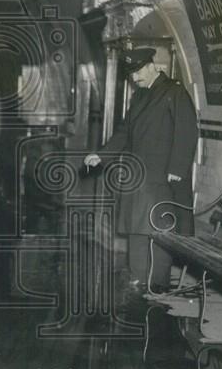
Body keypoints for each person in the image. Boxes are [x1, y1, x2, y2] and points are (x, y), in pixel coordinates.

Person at [84, 46, 197, 294]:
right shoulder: (139, 97)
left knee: (159, 228)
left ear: (151, 65)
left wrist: (177, 167)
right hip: (139, 175)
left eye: (137, 73)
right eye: (131, 74)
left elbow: (187, 131)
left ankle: (157, 281)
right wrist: (100, 155)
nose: (134, 79)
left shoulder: (174, 92)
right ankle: (138, 276)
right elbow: (124, 132)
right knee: (137, 226)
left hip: (163, 175)